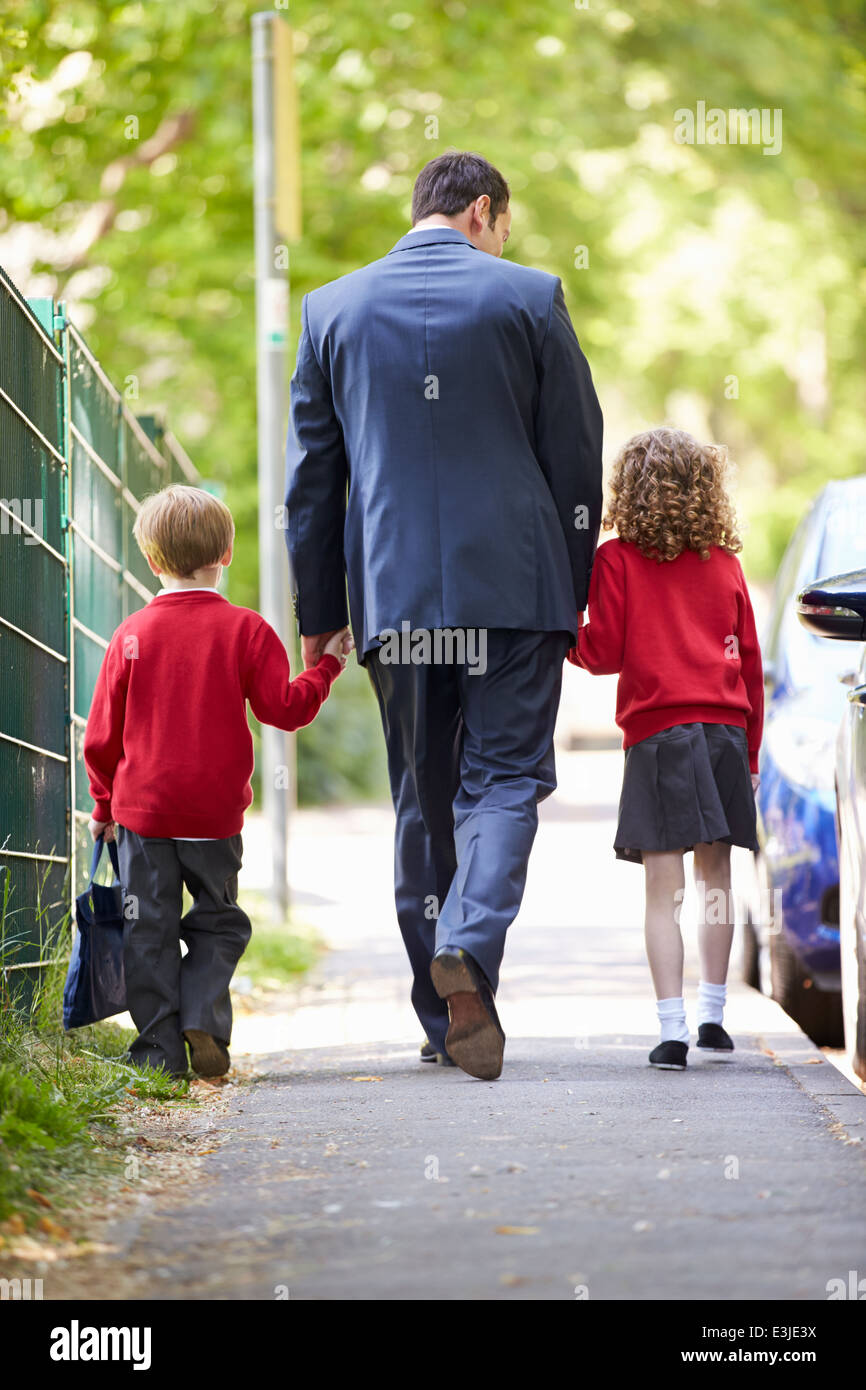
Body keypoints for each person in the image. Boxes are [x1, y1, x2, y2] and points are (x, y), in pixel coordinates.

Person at [285, 151, 603, 1080]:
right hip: (514, 589)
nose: (505, 242)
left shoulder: (331, 309)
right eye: (503, 226)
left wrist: (321, 614)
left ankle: (440, 1019)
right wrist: (569, 592)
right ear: (481, 211)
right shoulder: (530, 298)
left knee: (423, 800)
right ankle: (466, 943)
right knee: (502, 783)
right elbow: (575, 457)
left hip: (396, 598)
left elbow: (314, 483)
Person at [83, 484, 351, 1079]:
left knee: (145, 929)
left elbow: (100, 738)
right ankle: (203, 1013)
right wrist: (326, 665)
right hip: (213, 814)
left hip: (143, 815)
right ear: (225, 554)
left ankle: (158, 1053)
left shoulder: (130, 637)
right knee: (218, 919)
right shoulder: (246, 631)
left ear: (151, 561)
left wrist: (103, 806)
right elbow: (284, 710)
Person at [569, 427, 763, 1070]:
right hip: (725, 735)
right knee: (717, 879)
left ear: (630, 490)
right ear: (708, 490)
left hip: (658, 736)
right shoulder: (727, 565)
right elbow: (752, 665)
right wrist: (753, 756)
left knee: (663, 892)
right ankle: (715, 1017)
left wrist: (563, 630)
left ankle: (672, 1030)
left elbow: (602, 653)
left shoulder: (617, 561)